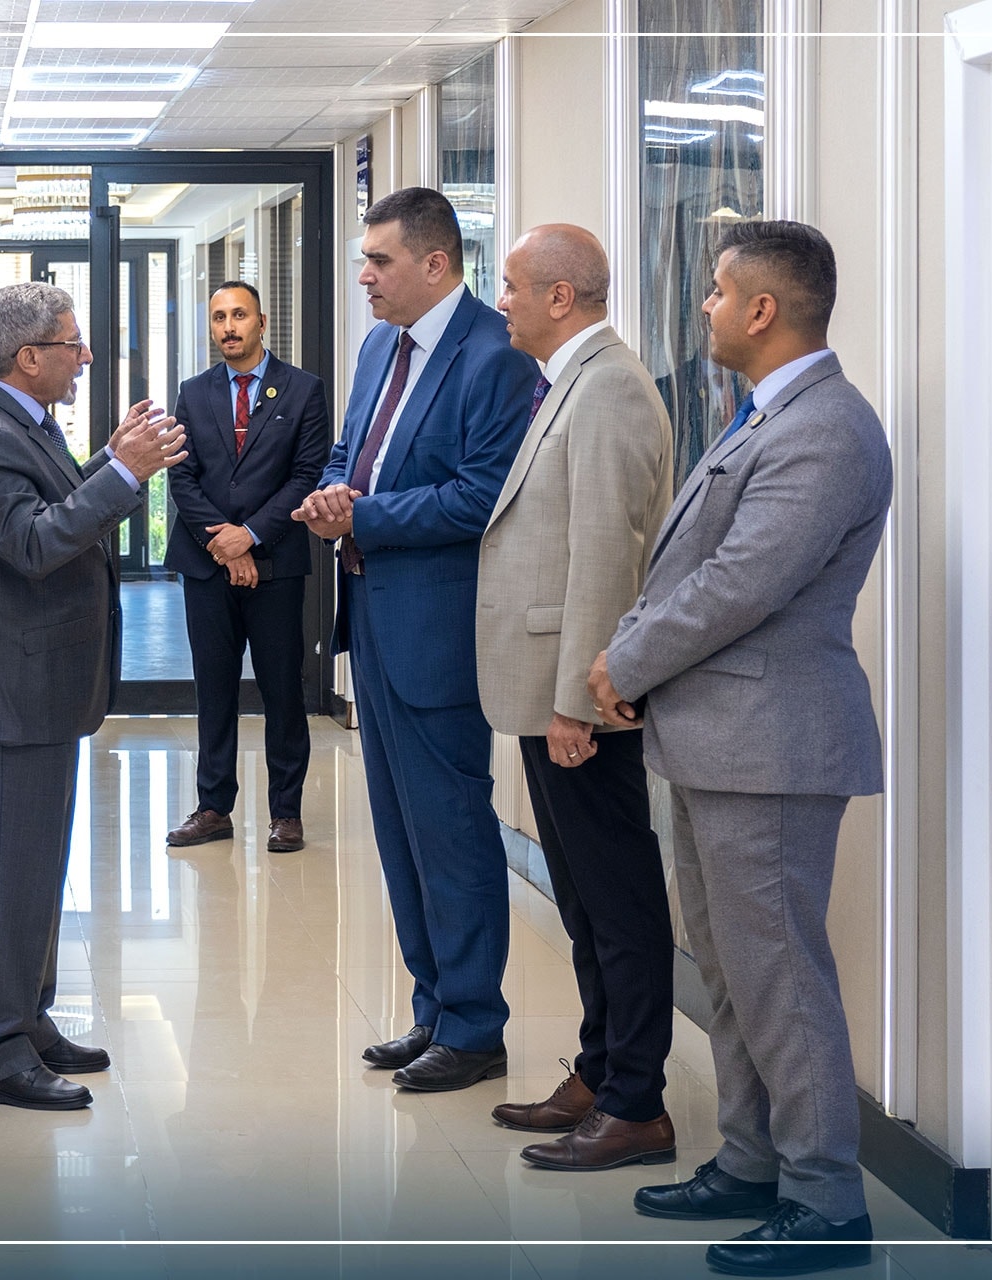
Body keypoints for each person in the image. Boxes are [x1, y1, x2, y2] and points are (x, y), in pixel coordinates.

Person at [587, 221, 892, 1275]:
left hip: (773, 748)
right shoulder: (767, 414)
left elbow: (738, 585)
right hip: (718, 742)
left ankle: (827, 1201)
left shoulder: (827, 429)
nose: (705, 306)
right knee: (730, 971)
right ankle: (754, 1160)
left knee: (782, 979)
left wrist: (625, 661)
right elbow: (696, 568)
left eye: (718, 291)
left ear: (764, 310)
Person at [293, 187, 539, 1092]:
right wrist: (332, 495)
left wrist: (363, 516)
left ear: (436, 264)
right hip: (373, 619)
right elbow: (348, 456)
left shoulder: (495, 355)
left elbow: (484, 495)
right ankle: (432, 1008)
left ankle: (475, 1028)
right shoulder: (378, 347)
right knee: (399, 831)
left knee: (452, 831)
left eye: (379, 261)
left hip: (440, 631)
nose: (364, 276)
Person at [0, 282, 186, 1111]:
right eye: (73, 345)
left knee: (36, 868)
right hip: (10, 691)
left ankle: (29, 1020)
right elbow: (35, 544)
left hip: (35, 687)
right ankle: (0, 1052)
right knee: (15, 877)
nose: (86, 357)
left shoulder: (21, 422)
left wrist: (104, 463)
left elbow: (51, 503)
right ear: (29, 356)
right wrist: (123, 473)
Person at [476, 225, 677, 1170]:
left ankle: (636, 1104)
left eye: (513, 285)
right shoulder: (571, 382)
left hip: (581, 702)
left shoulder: (610, 389)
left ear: (561, 297)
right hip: (551, 691)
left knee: (617, 902)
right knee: (584, 904)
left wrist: (577, 705)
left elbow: (606, 557)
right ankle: (600, 1073)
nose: (501, 301)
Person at [162, 280, 331, 855]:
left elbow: (307, 475)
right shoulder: (193, 393)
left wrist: (251, 536)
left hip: (276, 564)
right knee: (214, 689)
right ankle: (213, 808)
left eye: (238, 315)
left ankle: (286, 812)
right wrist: (226, 546)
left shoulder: (303, 390)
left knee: (283, 689)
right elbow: (182, 476)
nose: (228, 327)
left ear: (261, 322)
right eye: (218, 318)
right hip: (207, 564)